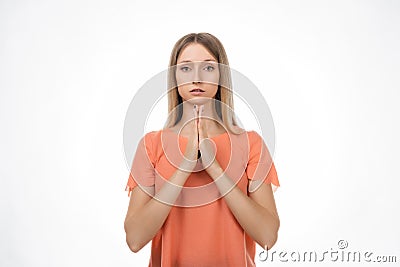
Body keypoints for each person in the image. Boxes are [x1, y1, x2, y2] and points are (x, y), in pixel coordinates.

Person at [124, 32, 280, 266]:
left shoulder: (250, 144)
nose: (197, 78)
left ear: (221, 76)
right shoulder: (151, 145)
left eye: (208, 68)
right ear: (175, 77)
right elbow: (135, 239)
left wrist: (215, 169)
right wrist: (185, 167)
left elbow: (267, 237)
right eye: (186, 68)